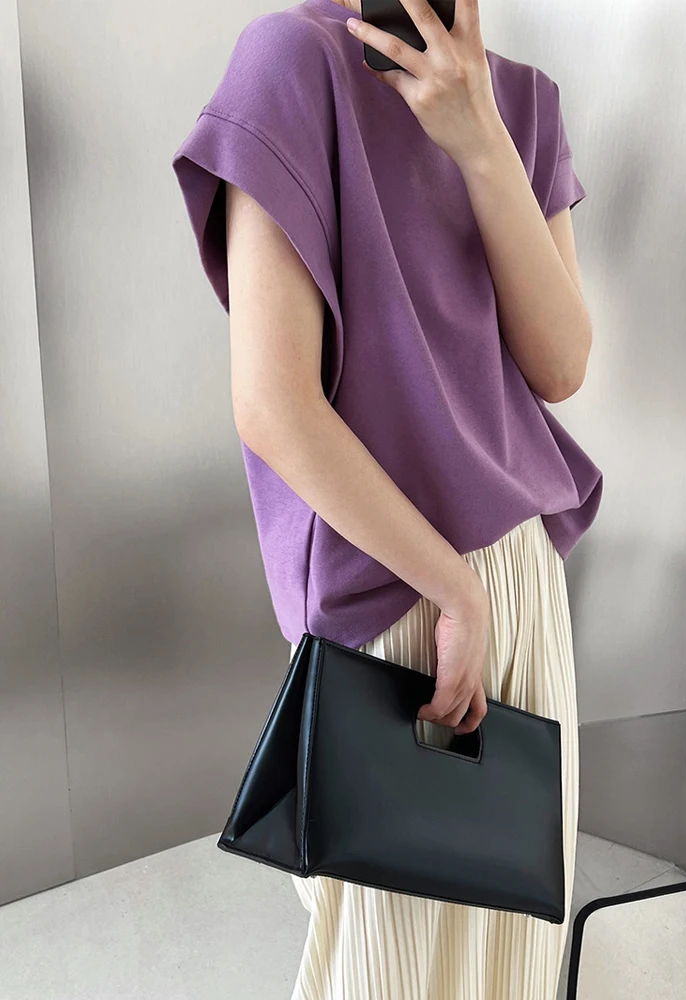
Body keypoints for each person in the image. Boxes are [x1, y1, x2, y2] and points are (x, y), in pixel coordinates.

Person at [172, 0, 603, 995]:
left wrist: (480, 138)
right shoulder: (294, 61)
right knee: (384, 967)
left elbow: (561, 363)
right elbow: (273, 401)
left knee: (514, 955)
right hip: (397, 594)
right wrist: (454, 591)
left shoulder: (524, 102)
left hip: (521, 586)